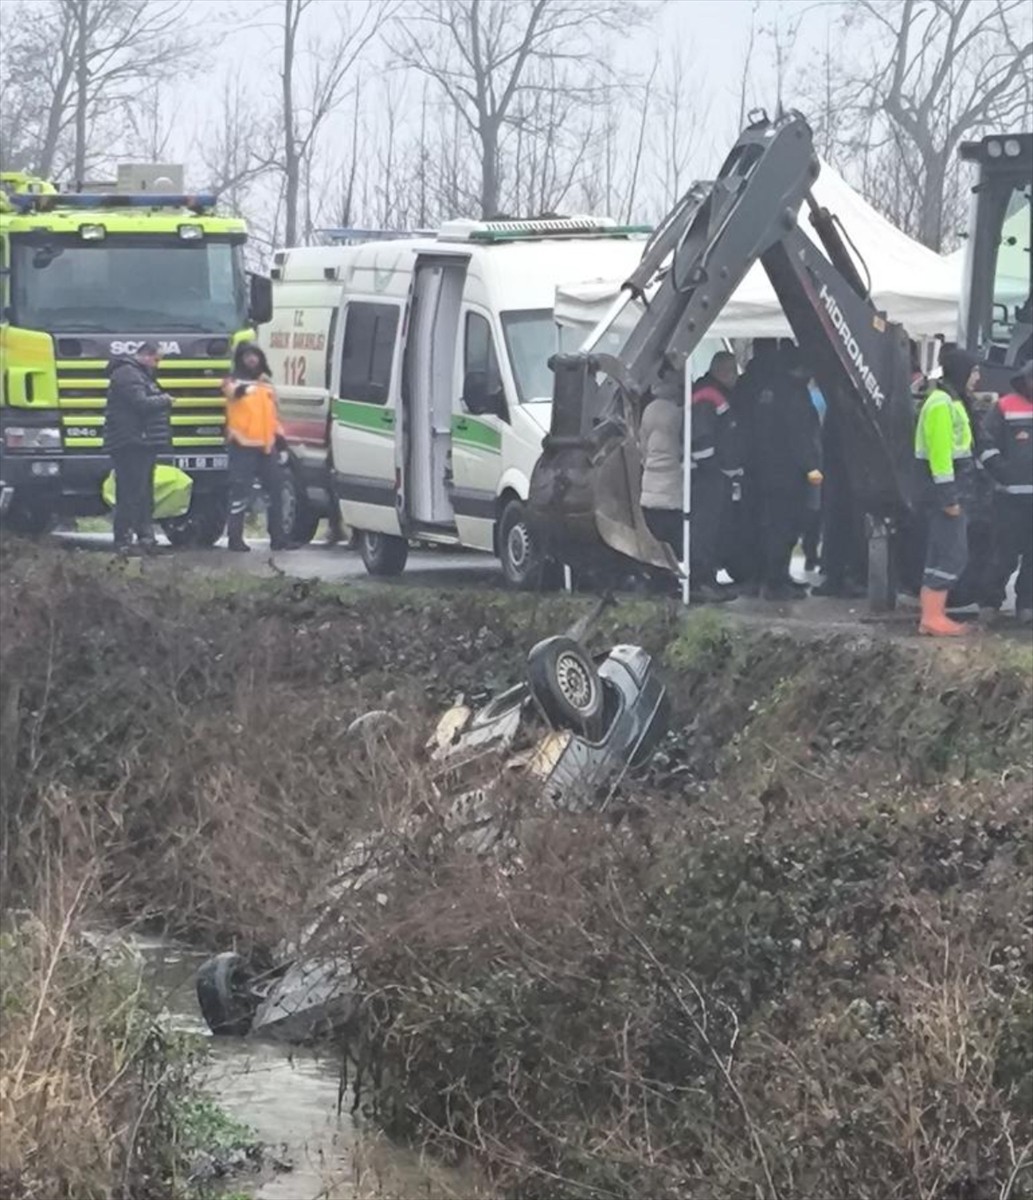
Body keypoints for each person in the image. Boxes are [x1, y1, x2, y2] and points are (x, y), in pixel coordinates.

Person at [913, 346, 980, 636]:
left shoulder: (951, 400)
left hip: (954, 489)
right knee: (950, 554)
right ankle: (932, 616)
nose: (978, 377)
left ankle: (932, 615)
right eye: (975, 370)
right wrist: (948, 497)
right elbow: (941, 456)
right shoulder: (942, 403)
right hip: (946, 491)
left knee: (944, 551)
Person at [753, 344, 823, 601]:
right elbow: (800, 435)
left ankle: (778, 576)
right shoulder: (794, 394)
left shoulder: (770, 390)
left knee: (776, 526)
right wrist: (811, 467)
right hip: (789, 474)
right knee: (784, 528)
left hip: (770, 470)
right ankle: (775, 582)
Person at [103, 341, 171, 557]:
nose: (157, 365)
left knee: (144, 493)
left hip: (143, 442)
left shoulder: (140, 374)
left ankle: (145, 538)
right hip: (130, 442)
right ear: (146, 355)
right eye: (156, 359)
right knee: (130, 493)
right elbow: (140, 403)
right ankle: (123, 540)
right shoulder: (127, 374)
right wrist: (165, 400)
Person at [979, 360, 1033, 625]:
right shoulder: (1004, 406)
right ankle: (989, 603)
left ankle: (1027, 607)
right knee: (1003, 554)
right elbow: (986, 443)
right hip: (1009, 497)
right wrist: (1002, 472)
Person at [223, 342, 289, 553]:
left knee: (276, 493)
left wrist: (282, 442)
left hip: (267, 447)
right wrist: (245, 387)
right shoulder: (232, 380)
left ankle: (278, 538)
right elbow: (231, 392)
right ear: (240, 359)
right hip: (241, 446)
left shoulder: (267, 385)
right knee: (239, 494)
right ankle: (235, 539)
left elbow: (273, 416)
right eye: (247, 356)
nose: (252, 360)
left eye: (255, 356)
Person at [689, 351, 741, 601]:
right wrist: (713, 470)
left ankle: (708, 578)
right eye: (733, 371)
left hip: (716, 476)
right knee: (704, 530)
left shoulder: (716, 393)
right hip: (707, 477)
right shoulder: (707, 395)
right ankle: (701, 581)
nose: (737, 376)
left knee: (715, 529)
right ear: (723, 371)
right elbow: (702, 437)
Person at [639, 363, 684, 567]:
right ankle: (671, 572)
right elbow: (681, 445)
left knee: (654, 533)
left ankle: (655, 574)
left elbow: (643, 444)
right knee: (671, 534)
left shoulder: (648, 409)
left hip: (649, 480)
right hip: (671, 481)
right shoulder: (677, 412)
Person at [801, 379, 827, 571]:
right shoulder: (821, 397)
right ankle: (813, 553)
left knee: (814, 508)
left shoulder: (809, 395)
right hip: (819, 458)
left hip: (813, 459)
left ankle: (811, 552)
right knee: (816, 508)